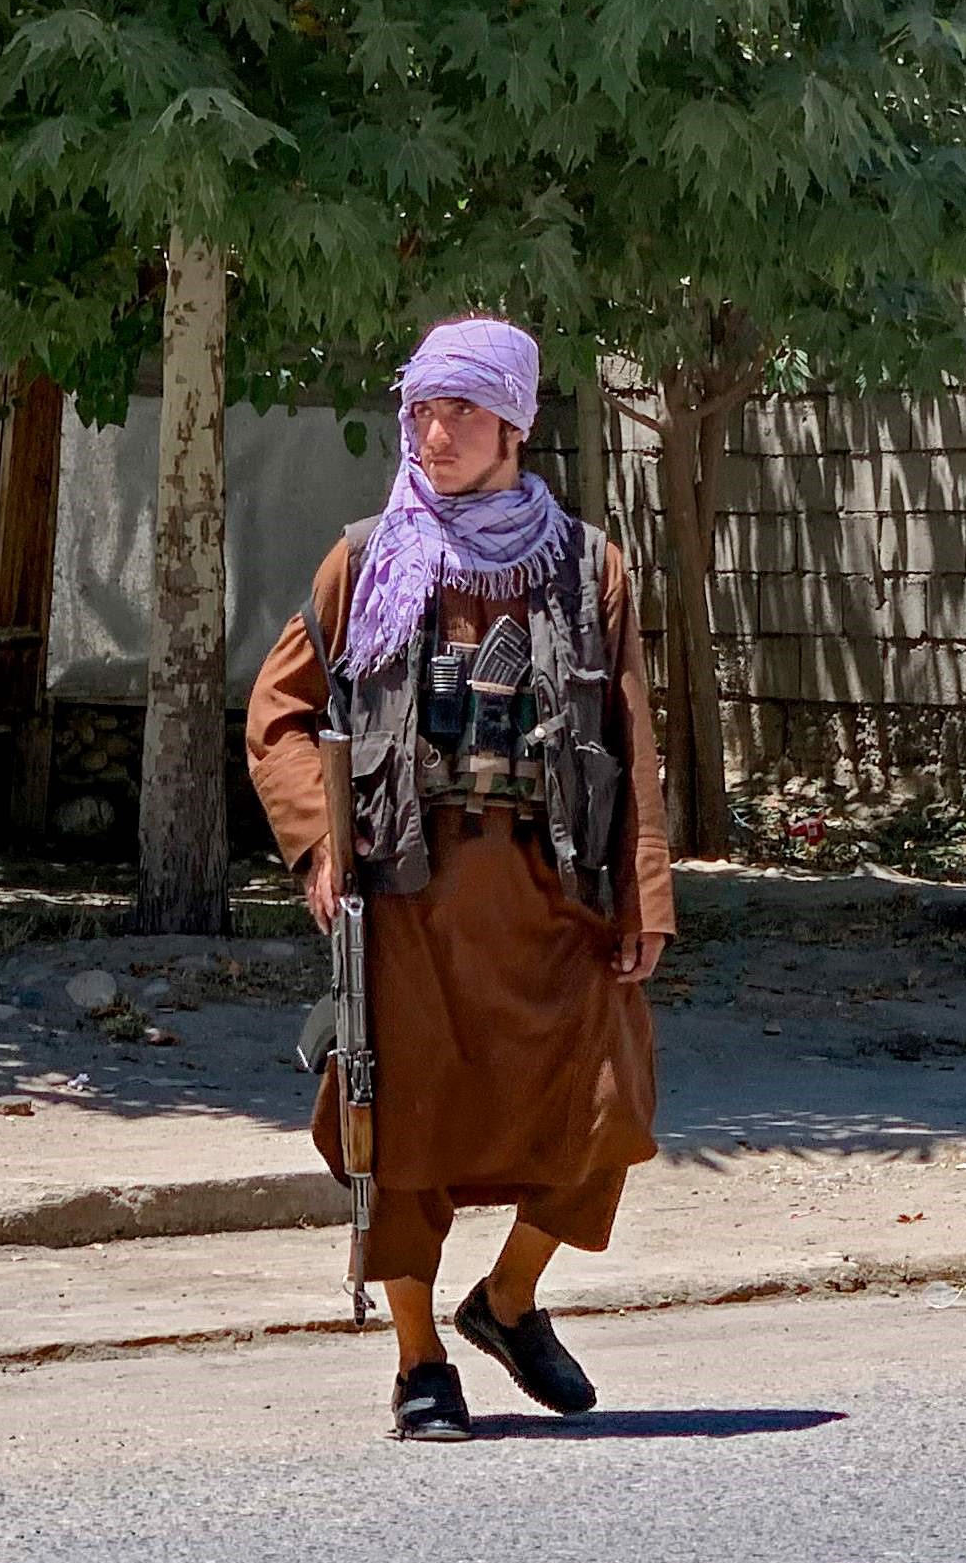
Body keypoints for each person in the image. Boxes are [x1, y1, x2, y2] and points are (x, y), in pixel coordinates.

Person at [246, 315, 671, 1440]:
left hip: (555, 893)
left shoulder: (591, 566)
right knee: (403, 1131)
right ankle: (420, 1359)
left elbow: (630, 742)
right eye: (422, 411)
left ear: (514, 423)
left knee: (609, 1109)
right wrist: (319, 842)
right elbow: (278, 716)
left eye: (461, 412)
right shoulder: (364, 557)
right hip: (410, 897)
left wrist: (646, 896)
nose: (434, 434)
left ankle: (509, 1296)